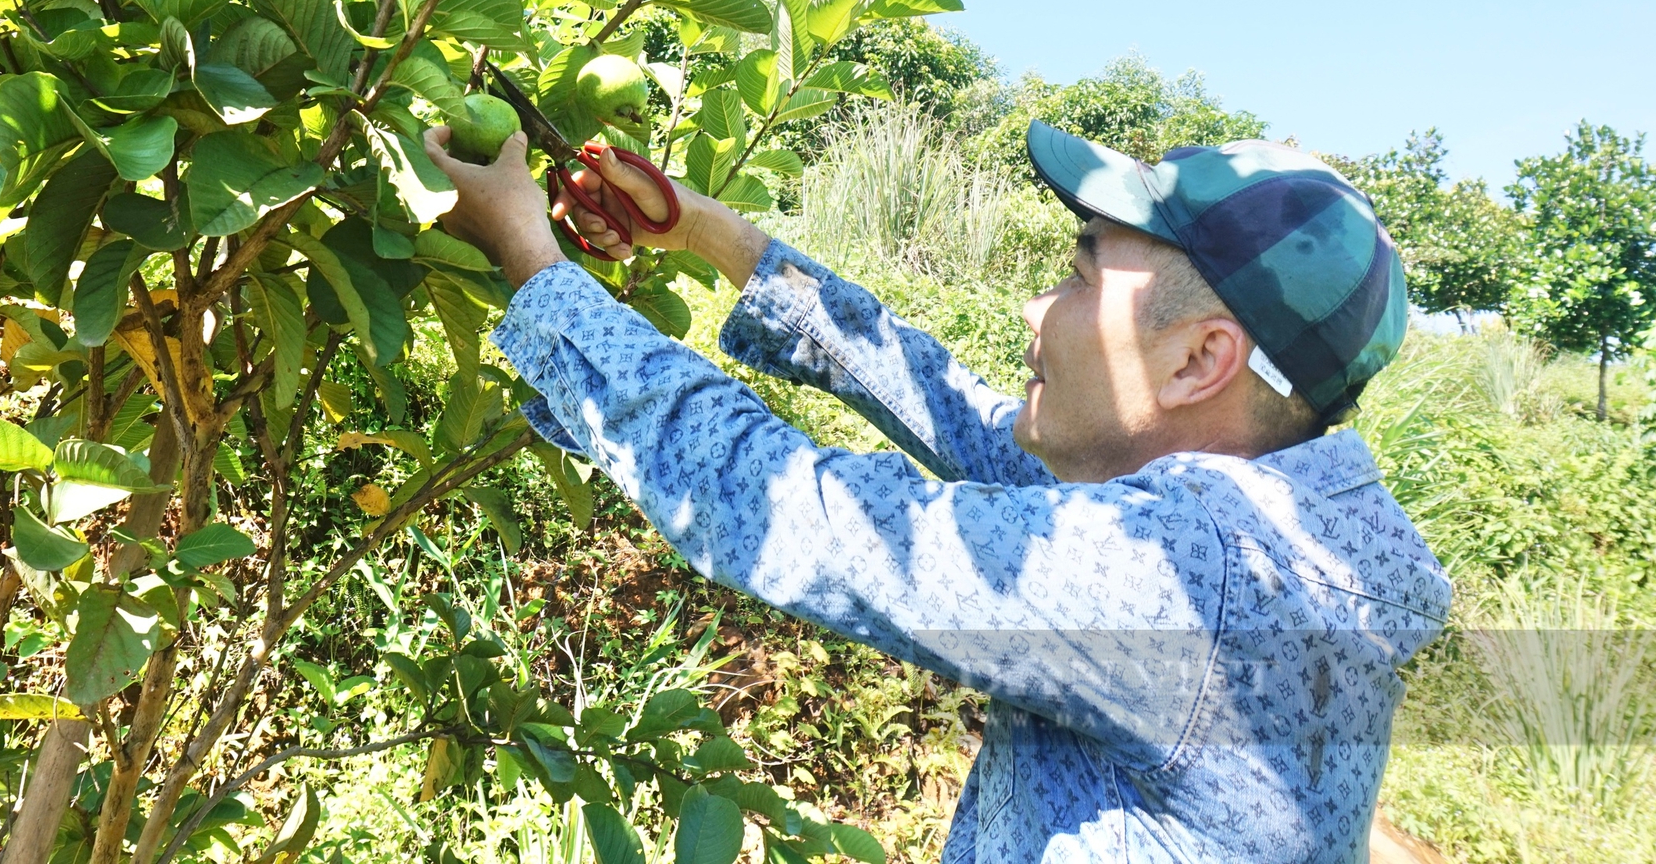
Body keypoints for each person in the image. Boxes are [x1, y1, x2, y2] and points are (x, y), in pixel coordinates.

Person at [420, 119, 1451, 864]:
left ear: (1196, 361)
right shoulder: (1271, 532)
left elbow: (793, 507)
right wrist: (705, 233)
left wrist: (529, 257)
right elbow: (958, 411)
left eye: (1083, 276)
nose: (1034, 301)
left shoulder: (1183, 581)